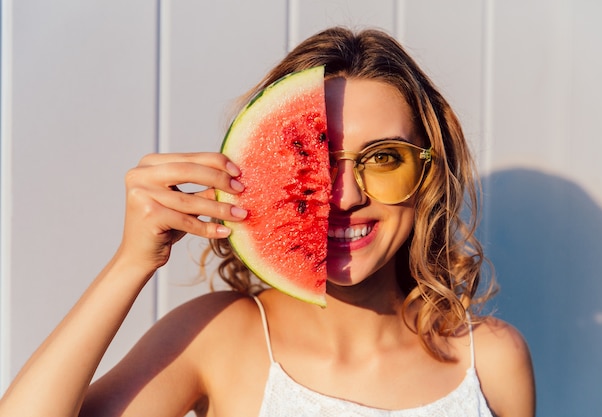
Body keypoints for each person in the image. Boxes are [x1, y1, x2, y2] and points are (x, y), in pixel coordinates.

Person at [0, 27, 535, 416]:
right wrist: (130, 263)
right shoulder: (219, 338)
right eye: (315, 162)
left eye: (385, 158)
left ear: (429, 176)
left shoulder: (490, 360)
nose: (344, 196)